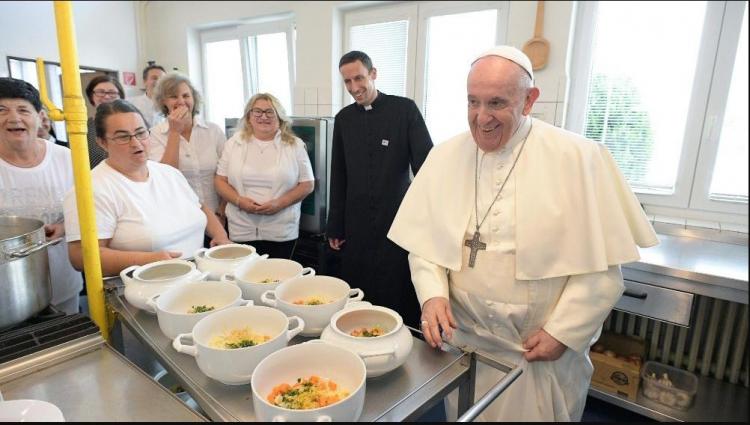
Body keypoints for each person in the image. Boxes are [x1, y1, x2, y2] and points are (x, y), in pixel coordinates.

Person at [387, 46, 659, 421]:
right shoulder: (445, 156)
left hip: (538, 356)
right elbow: (425, 248)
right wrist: (432, 296)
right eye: (472, 102)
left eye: (497, 103)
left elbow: (601, 272)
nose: (481, 118)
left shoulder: (579, 159)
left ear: (529, 100)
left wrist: (564, 332)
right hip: (468, 349)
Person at [63, 99, 231, 276]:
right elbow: (80, 256)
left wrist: (221, 236)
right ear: (102, 142)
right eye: (123, 137)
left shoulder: (168, 173)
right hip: (141, 289)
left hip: (195, 278)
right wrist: (148, 261)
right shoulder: (92, 189)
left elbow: (200, 207)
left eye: (141, 133)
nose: (136, 143)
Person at [326, 51, 433, 328]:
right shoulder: (344, 119)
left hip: (396, 219)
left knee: (395, 286)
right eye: (347, 82)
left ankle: (399, 336)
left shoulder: (404, 110)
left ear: (373, 74)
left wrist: (428, 219)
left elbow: (426, 167)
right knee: (359, 288)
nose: (353, 88)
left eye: (359, 78)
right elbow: (338, 173)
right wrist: (335, 225)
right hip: (356, 222)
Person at [0, 78, 83, 313]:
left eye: (23, 110)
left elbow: (88, 208)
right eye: (2, 110)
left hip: (63, 280)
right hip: (7, 291)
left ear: (40, 117)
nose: (14, 118)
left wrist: (65, 227)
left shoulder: (65, 158)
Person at [214, 93, 314, 259]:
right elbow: (220, 180)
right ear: (249, 117)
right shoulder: (234, 143)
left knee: (278, 279)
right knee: (243, 278)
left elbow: (307, 184)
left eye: (270, 112)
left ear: (279, 117)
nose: (263, 117)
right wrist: (239, 201)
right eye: (257, 112)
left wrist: (279, 204)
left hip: (281, 230)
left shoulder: (294, 145)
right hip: (241, 228)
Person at [149, 72, 227, 232]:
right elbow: (166, 176)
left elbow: (228, 175)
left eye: (186, 95)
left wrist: (222, 211)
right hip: (180, 220)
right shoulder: (155, 134)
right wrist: (174, 132)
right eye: (173, 97)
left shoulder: (213, 131)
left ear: (194, 99)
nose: (181, 101)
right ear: (164, 102)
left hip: (218, 215)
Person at [84, 75, 125, 169]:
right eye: (100, 92)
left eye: (112, 92)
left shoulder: (131, 124)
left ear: (121, 97)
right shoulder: (83, 128)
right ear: (91, 96)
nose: (106, 96)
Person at [129, 62, 166, 128]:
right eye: (154, 78)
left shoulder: (170, 104)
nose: (159, 81)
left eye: (162, 79)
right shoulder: (132, 104)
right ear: (144, 81)